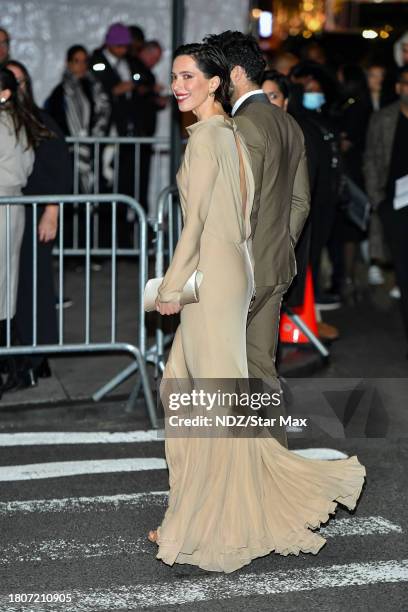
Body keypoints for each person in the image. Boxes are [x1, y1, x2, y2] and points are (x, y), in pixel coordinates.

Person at [148, 42, 366, 574]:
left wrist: (172, 287)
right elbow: (292, 204)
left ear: (218, 80)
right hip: (247, 269)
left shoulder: (216, 138)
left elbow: (198, 223)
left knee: (206, 402)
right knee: (217, 391)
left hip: (217, 275)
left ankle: (206, 518)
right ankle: (200, 508)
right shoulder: (241, 130)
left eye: (186, 76)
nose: (177, 85)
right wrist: (270, 259)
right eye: (172, 77)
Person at [205, 31, 309, 418]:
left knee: (222, 375)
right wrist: (278, 243)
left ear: (233, 74)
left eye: (215, 73)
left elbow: (239, 206)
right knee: (262, 374)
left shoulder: (243, 125)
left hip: (244, 270)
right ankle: (270, 468)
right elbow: (301, 202)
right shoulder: (287, 123)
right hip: (276, 265)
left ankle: (235, 469)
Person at [6, 60, 71, 388]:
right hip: (13, 214)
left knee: (34, 286)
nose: (14, 87)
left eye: (19, 81)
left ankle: (37, 355)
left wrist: (52, 210)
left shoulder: (39, 120)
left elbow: (59, 165)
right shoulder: (9, 120)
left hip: (33, 214)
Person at [262, 70, 339, 342]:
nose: (267, 103)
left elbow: (305, 193)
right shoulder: (251, 133)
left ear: (285, 101)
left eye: (274, 96)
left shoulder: (299, 132)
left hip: (289, 233)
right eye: (262, 96)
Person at [0, 68, 40, 396]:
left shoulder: (4, 122)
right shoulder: (17, 120)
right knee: (5, 290)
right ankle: (19, 367)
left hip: (4, 203)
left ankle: (18, 367)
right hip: (12, 205)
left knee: (3, 291)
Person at [364, 65, 408, 354]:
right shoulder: (383, 119)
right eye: (405, 83)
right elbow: (370, 160)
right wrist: (378, 199)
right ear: (398, 87)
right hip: (395, 208)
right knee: (404, 275)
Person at [45, 45, 110, 193]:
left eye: (84, 61)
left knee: (94, 192)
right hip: (69, 151)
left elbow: (103, 112)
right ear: (68, 63)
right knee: (72, 191)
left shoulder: (95, 87)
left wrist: (93, 135)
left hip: (94, 148)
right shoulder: (60, 92)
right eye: (76, 61)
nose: (81, 65)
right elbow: (55, 120)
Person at [130, 40, 168, 209]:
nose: (155, 63)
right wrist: (152, 91)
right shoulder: (134, 68)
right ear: (146, 52)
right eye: (154, 58)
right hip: (135, 136)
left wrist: (156, 100)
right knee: (135, 181)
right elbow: (136, 95)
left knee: (140, 182)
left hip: (143, 135)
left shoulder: (143, 72)